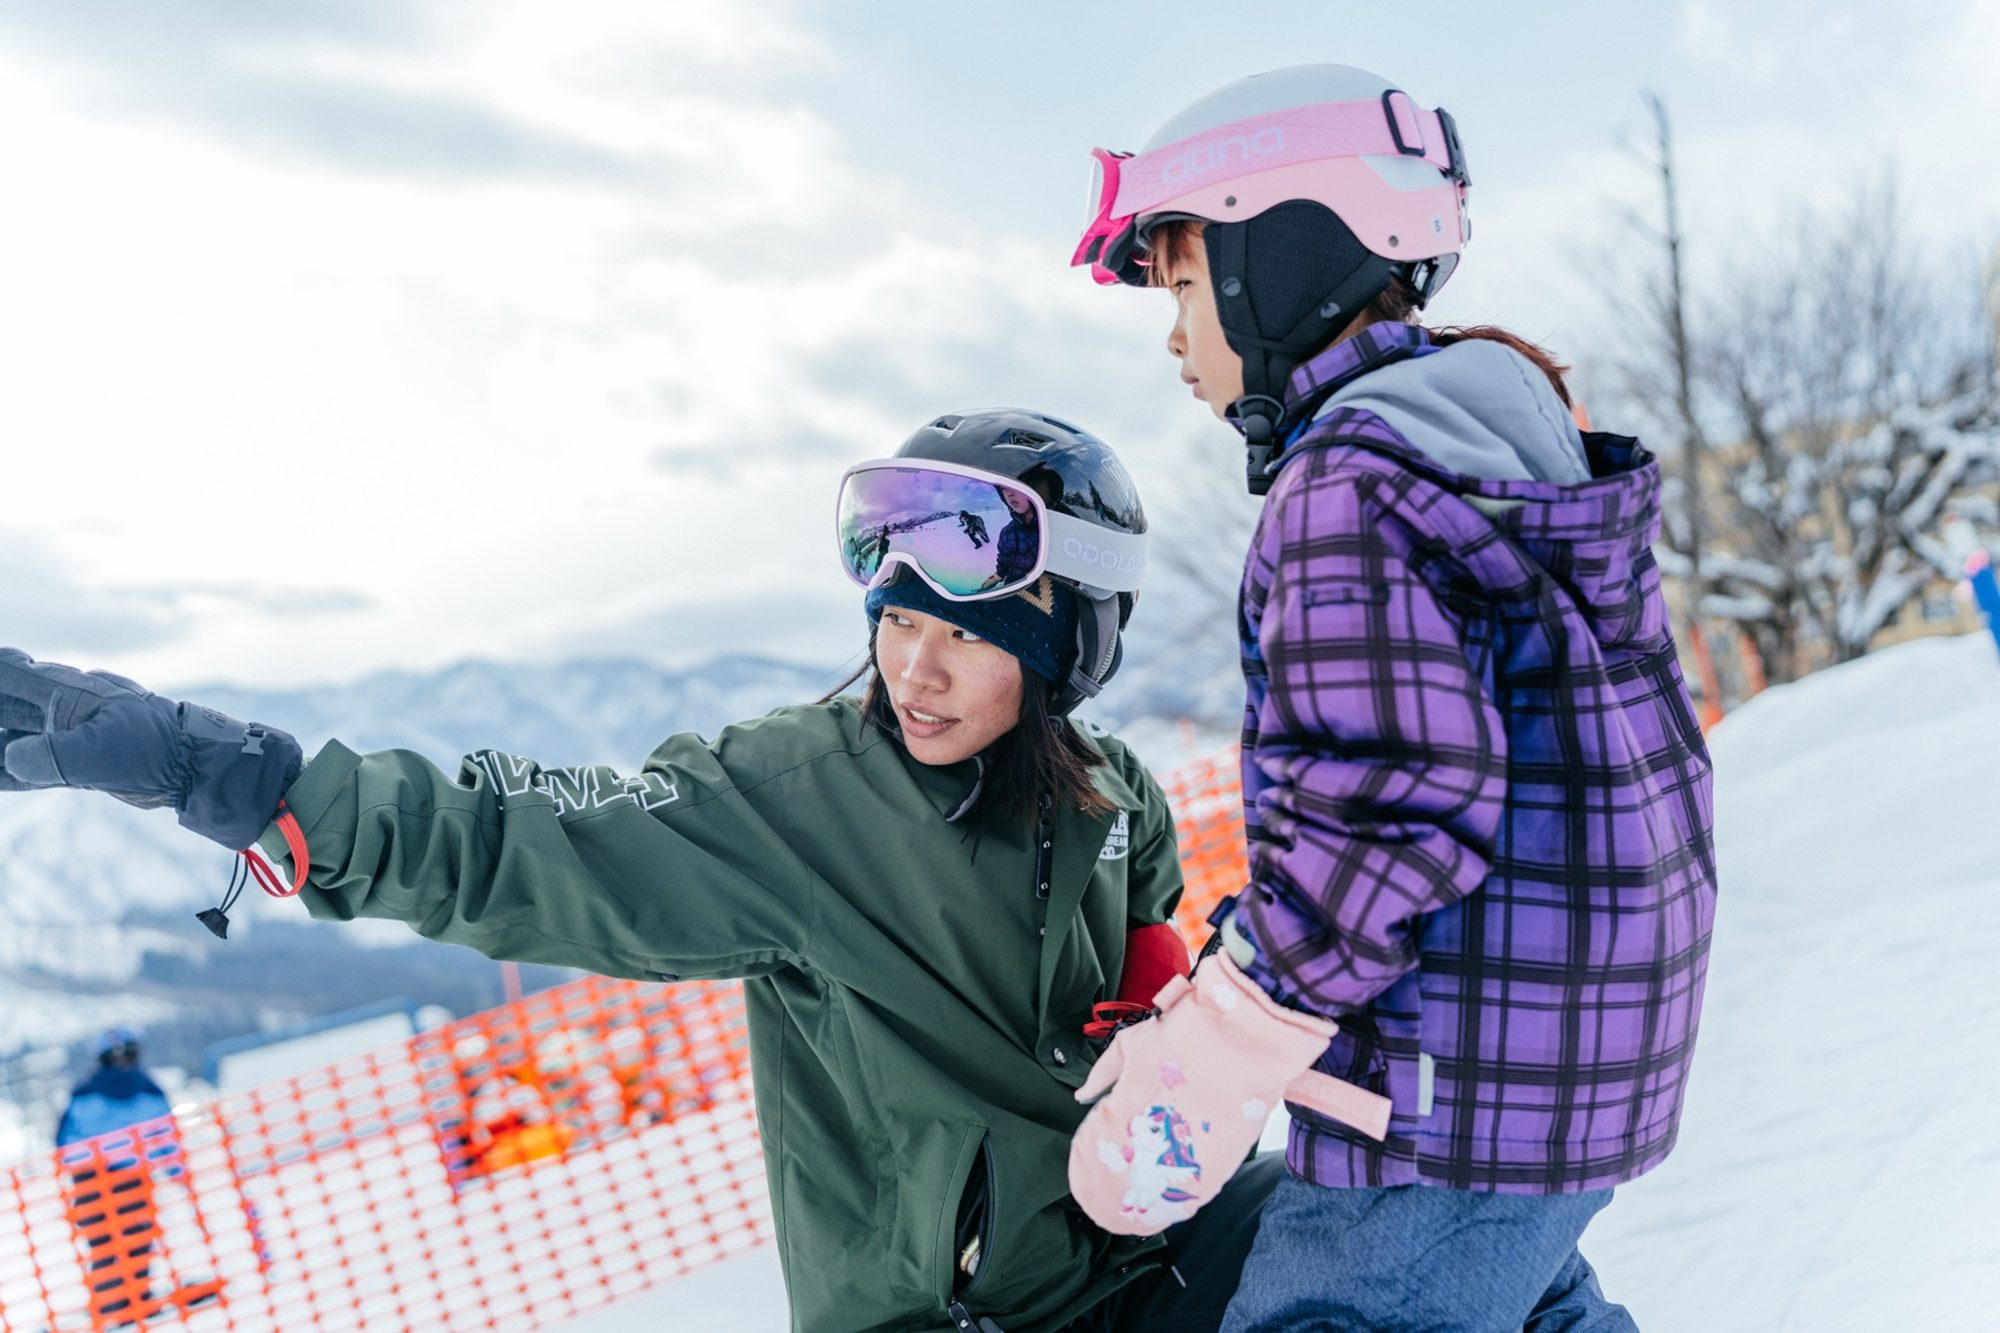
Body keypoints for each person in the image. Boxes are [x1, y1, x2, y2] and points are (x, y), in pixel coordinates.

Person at [3, 410, 1281, 1333]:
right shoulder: (807, 798)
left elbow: (1146, 924)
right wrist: (233, 777)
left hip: (1130, 1265)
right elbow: (523, 839)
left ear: (1067, 650)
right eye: (896, 620)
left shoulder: (1113, 792)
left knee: (1361, 1220)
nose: (913, 669)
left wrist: (1162, 1006)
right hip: (957, 1315)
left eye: (962, 633)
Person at [1065, 65, 1719, 1330]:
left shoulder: (1347, 485)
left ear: (1274, 258)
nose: (1172, 338)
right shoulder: (1494, 442)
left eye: (1184, 287)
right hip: (1564, 1055)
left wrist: (1222, 1036)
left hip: (1449, 1087)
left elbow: (1382, 811)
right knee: (1514, 1296)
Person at [56, 1028, 175, 1328]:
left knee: (102, 1245)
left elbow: (64, 1140)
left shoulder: (83, 1094)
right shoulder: (150, 1091)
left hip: (90, 1181)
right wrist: (177, 1172)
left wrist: (74, 1167)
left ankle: (109, 1306)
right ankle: (138, 1301)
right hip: (132, 1179)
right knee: (137, 1241)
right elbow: (166, 1137)